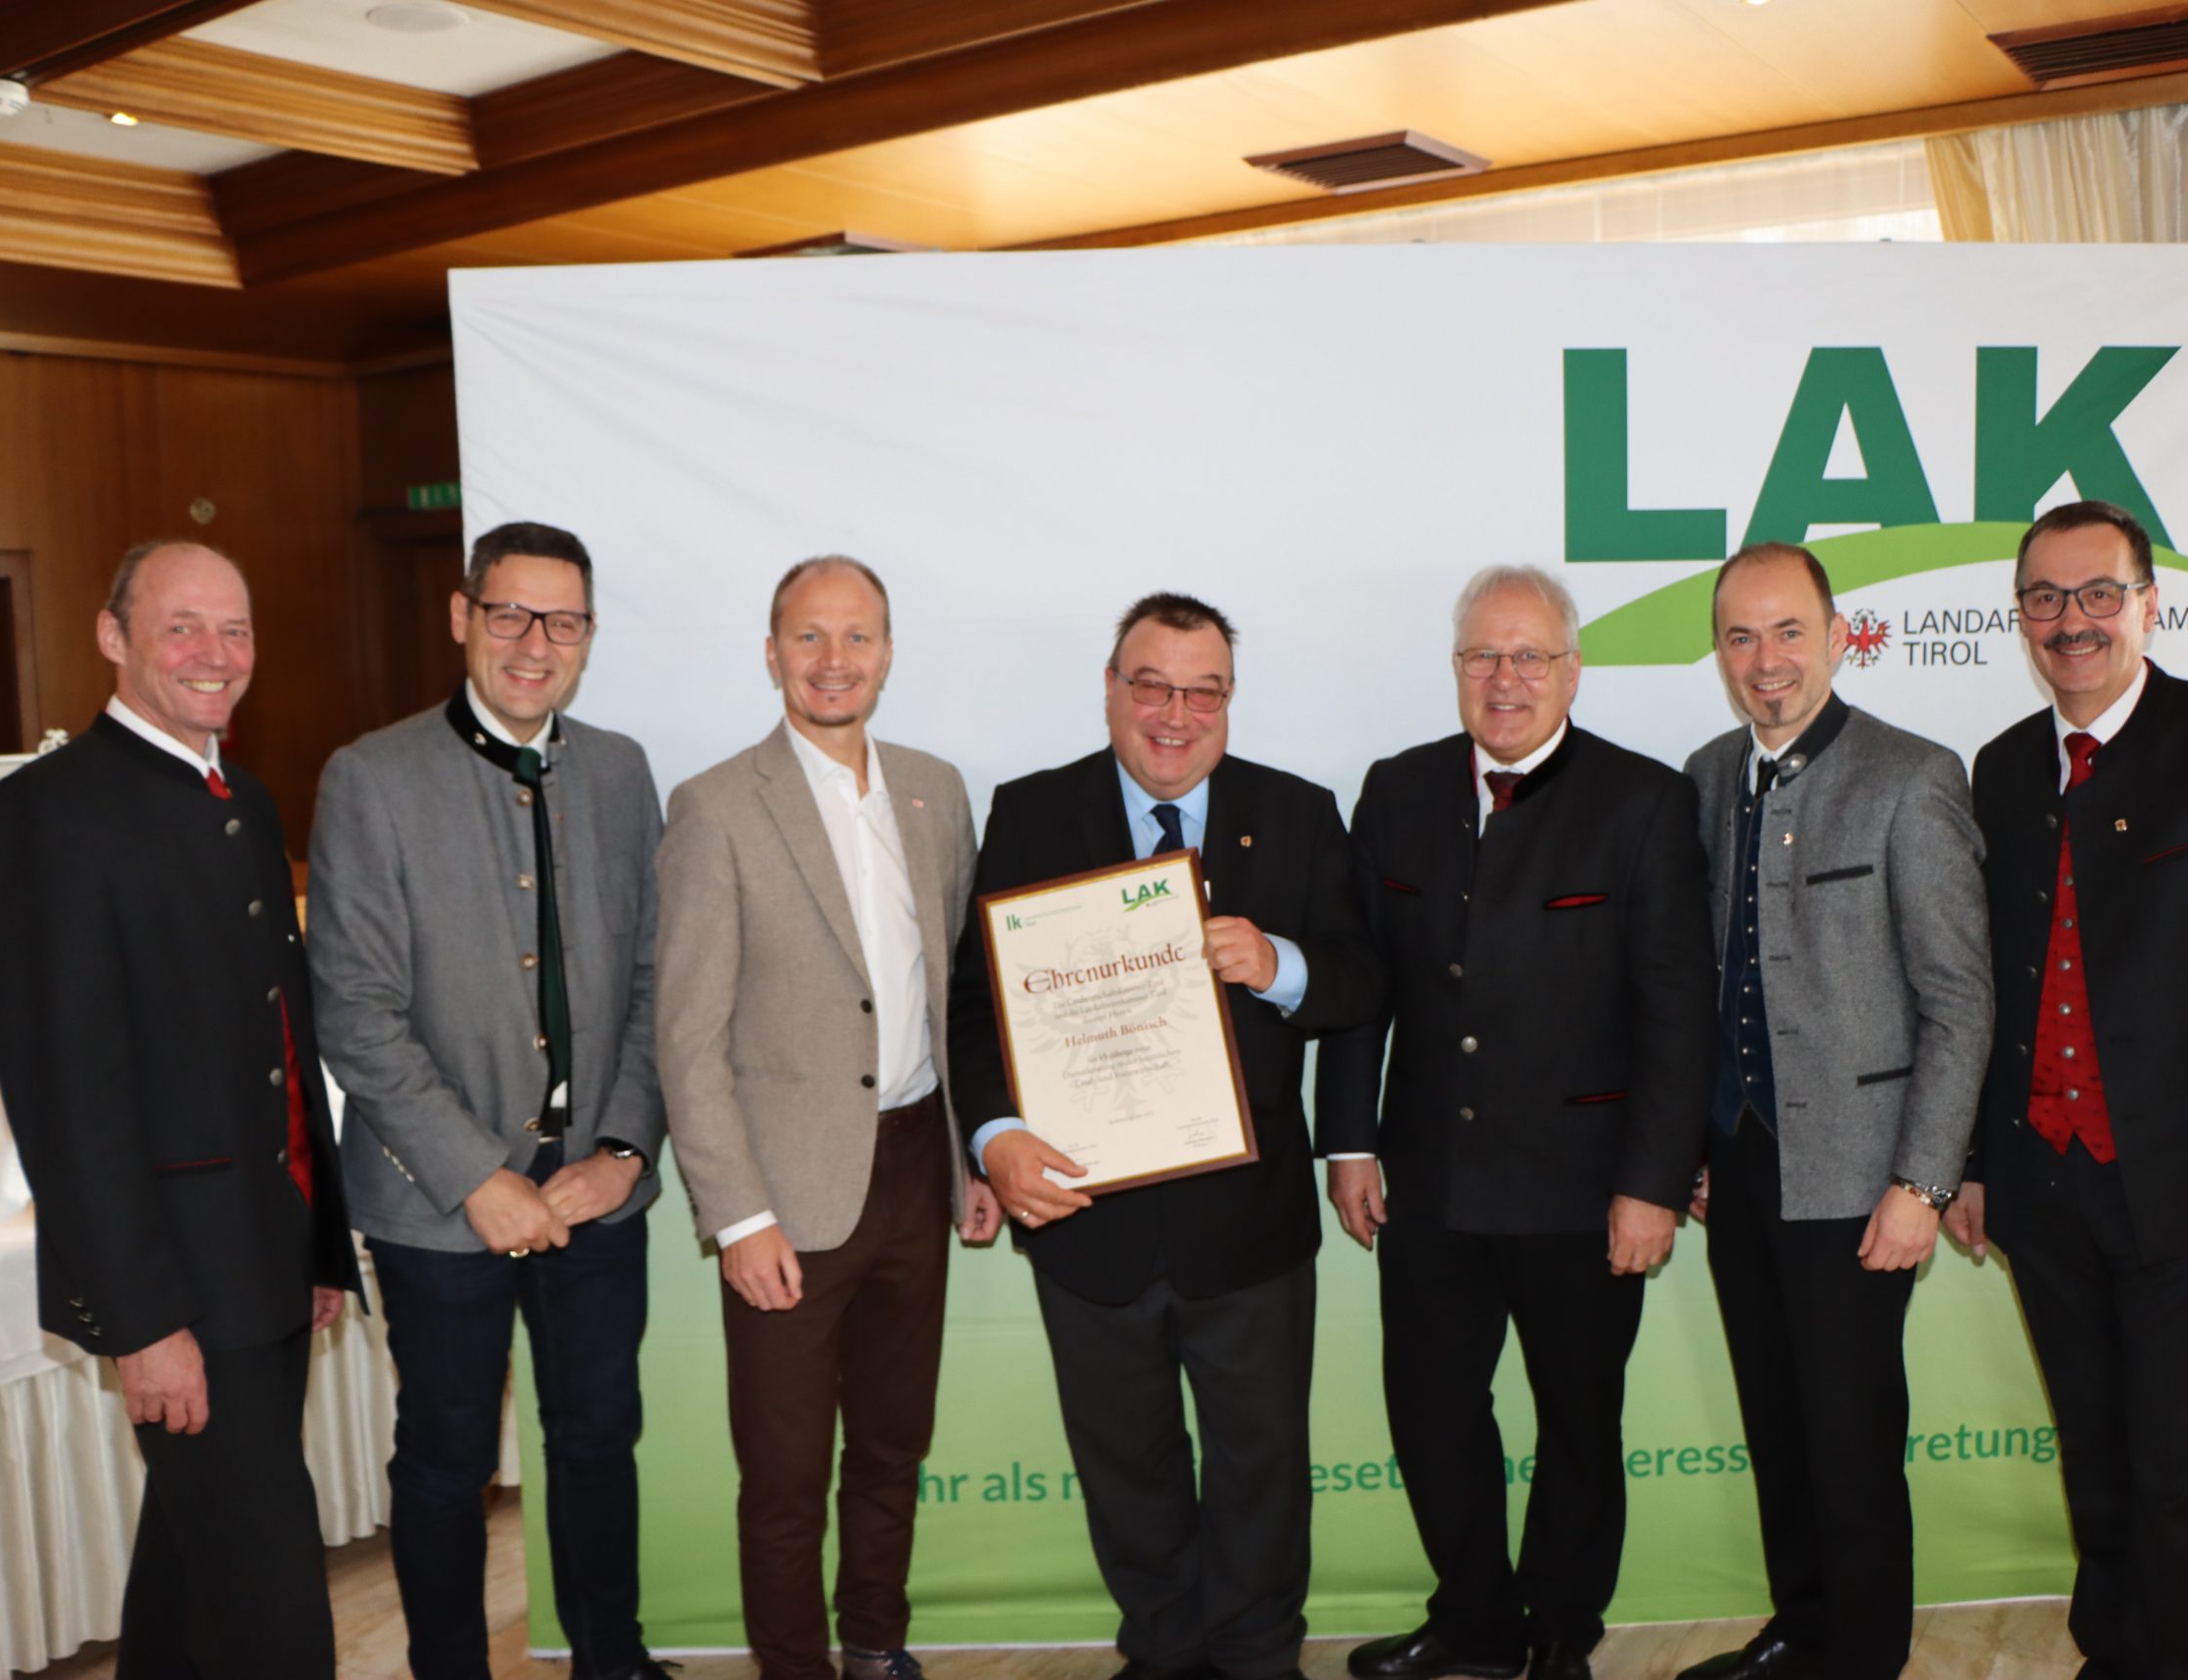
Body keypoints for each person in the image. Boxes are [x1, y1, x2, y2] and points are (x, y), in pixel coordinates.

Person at [948, 591, 1383, 1680]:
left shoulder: (1296, 813)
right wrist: (994, 1135)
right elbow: (974, 1000)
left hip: (1249, 1229)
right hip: (1085, 1220)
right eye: (1152, 686)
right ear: (1112, 690)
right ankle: (1163, 1654)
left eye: (1203, 692)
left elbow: (1364, 980)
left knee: (1261, 1468)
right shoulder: (1031, 812)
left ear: (1228, 702)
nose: (1175, 715)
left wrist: (1278, 964)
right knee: (1126, 1471)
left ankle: (1257, 1657)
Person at [1947, 500, 2188, 1680]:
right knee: (2098, 1461)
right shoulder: (2002, 769)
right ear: (2019, 616)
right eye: (2044, 598)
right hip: (2043, 1186)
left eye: (2098, 593)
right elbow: (1989, 986)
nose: (2071, 620)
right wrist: (1973, 1163)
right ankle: (2111, 1657)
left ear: (2148, 604)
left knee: (2185, 1476)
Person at [0, 538, 362, 1680]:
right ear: (113, 636)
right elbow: (66, 1099)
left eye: (234, 630)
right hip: (177, 1286)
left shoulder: (244, 797)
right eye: (181, 626)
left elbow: (282, 1049)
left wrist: (314, 1244)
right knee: (276, 1604)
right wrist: (140, 1322)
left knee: (195, 1573)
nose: (214, 654)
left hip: (265, 1261)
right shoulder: (46, 814)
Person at [1315, 564, 1715, 1680]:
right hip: (1429, 1179)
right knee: (1431, 1413)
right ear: (1456, 669)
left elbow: (1675, 1013)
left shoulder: (1641, 801)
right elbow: (1360, 981)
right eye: (1484, 656)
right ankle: (1474, 1625)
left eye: (1530, 656)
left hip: (1585, 1190)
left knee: (1579, 1425)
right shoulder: (1397, 790)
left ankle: (1560, 1634)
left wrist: (1653, 1182)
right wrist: (1348, 1139)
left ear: (1571, 671)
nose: (1506, 679)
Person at [308, 520, 670, 1680]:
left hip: (595, 1193)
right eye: (510, 613)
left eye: (562, 620)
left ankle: (611, 1660)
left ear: (589, 636)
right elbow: (355, 1014)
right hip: (436, 1203)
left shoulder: (621, 771)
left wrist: (623, 1149)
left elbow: (657, 981)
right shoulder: (371, 778)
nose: (534, 643)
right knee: (447, 1459)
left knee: (599, 1437)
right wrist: (479, 1177)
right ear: (462, 617)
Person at [656, 555, 1000, 1680]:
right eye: (809, 636)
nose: (833, 660)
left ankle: (876, 1646)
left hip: (915, 1171)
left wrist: (971, 1158)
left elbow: (958, 995)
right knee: (786, 1475)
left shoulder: (935, 790)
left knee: (894, 1447)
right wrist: (737, 1215)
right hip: (785, 1201)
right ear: (771, 655)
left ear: (887, 654)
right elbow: (687, 1037)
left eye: (856, 637)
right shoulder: (714, 807)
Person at [1674, 543, 1991, 1680]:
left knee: (1850, 1442)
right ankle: (1799, 1630)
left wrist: (1923, 1182)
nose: (1766, 660)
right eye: (1741, 637)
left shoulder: (1913, 775)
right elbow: (1698, 979)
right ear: (1720, 653)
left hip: (1864, 1180)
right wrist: (1691, 1145)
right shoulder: (1705, 776)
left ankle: (1858, 1657)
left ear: (1838, 637)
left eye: (1788, 631)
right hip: (1738, 1165)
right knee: (1776, 1423)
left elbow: (1960, 999)